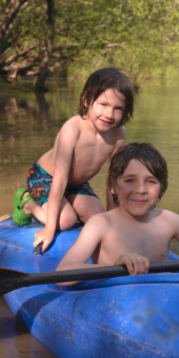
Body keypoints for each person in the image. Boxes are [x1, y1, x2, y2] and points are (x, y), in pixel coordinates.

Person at [55, 143, 179, 285]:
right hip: (117, 300)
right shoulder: (101, 224)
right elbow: (63, 274)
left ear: (161, 188)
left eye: (151, 181)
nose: (141, 190)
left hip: (160, 302)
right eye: (130, 180)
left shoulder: (170, 221)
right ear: (112, 186)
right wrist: (116, 268)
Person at [13, 67, 132, 253]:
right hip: (46, 178)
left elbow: (113, 178)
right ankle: (28, 204)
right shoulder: (72, 131)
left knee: (100, 219)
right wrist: (50, 229)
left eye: (118, 109)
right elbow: (59, 182)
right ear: (86, 99)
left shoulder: (118, 134)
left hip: (76, 184)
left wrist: (112, 218)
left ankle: (69, 206)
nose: (109, 114)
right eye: (103, 104)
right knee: (65, 220)